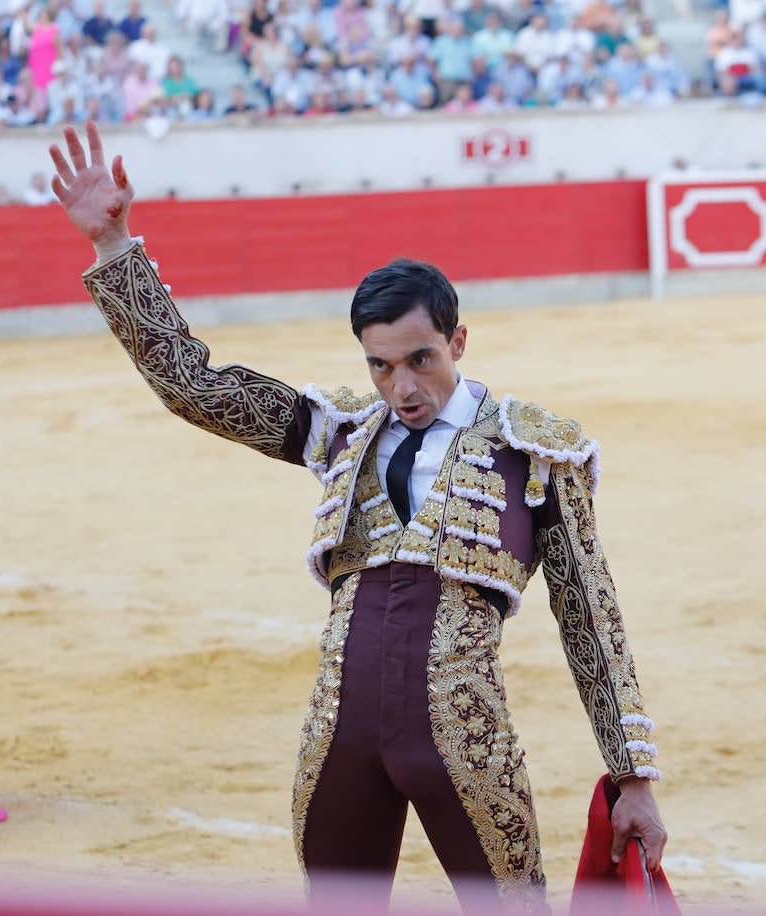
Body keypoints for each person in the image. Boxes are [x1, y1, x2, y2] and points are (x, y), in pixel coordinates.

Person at [47, 123, 668, 910]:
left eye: (420, 360)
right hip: (340, 729)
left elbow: (591, 615)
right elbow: (195, 390)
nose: (401, 386)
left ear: (459, 341)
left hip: (464, 734)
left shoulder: (535, 450)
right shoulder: (338, 428)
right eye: (379, 365)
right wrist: (114, 244)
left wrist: (634, 775)